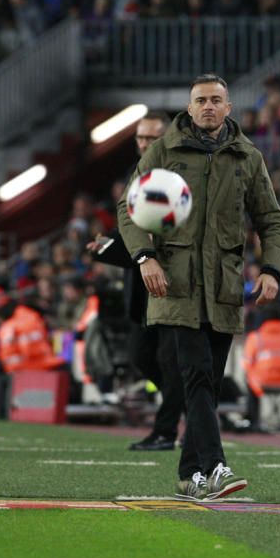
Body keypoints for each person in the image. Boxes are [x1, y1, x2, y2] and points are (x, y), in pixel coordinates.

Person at [117, 74, 280, 501]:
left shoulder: (248, 157)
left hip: (225, 288)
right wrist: (144, 257)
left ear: (228, 108)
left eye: (215, 100)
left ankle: (188, 474)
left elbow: (271, 219)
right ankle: (216, 467)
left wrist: (272, 269)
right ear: (189, 108)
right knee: (196, 376)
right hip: (175, 284)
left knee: (206, 382)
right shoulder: (164, 149)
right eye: (200, 100)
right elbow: (127, 206)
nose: (208, 106)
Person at [88, 110, 183, 451]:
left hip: (172, 286)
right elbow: (132, 230)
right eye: (140, 138)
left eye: (151, 138)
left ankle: (166, 430)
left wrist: (123, 249)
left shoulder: (178, 176)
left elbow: (164, 236)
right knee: (143, 357)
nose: (143, 144)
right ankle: (186, 404)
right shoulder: (137, 174)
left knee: (170, 362)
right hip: (140, 286)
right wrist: (108, 246)